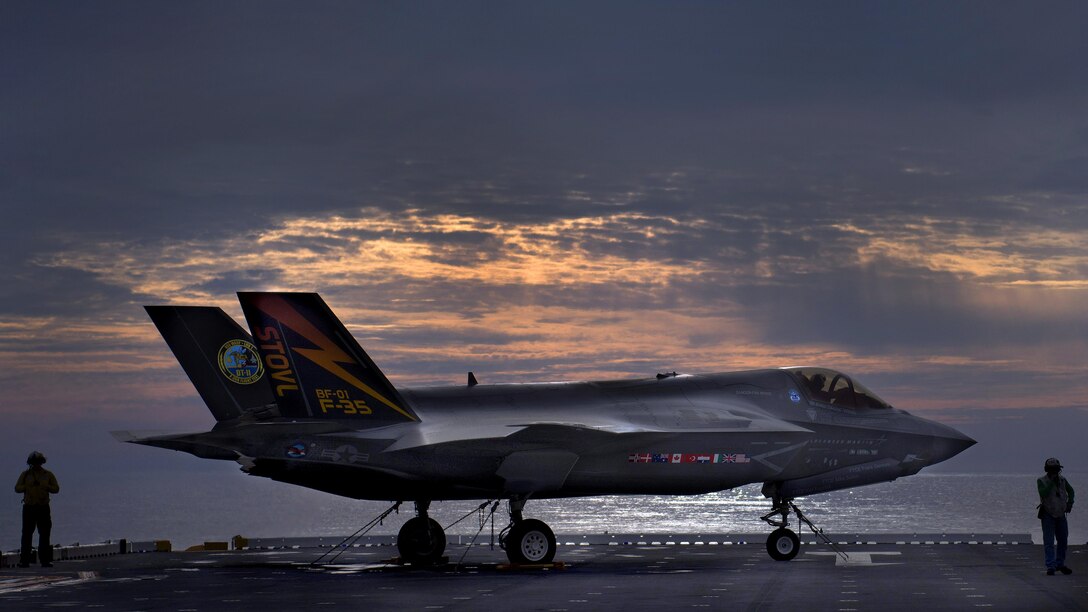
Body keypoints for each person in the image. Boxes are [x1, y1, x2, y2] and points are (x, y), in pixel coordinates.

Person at [15, 451, 60, 568]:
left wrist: (46, 487)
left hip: (43, 507)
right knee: (26, 534)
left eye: (38, 462)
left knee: (44, 534)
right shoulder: (25, 475)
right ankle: (24, 561)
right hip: (29, 507)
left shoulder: (48, 474)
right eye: (34, 463)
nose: (36, 465)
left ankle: (45, 560)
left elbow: (56, 489)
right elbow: (17, 488)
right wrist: (27, 487)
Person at [1037, 457, 1074, 576]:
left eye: (1056, 469)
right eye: (1052, 469)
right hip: (1048, 513)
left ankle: (1060, 563)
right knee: (1049, 541)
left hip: (1061, 513)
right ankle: (1050, 566)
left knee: (1063, 540)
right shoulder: (1041, 480)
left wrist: (1070, 503)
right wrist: (1052, 482)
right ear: (1047, 470)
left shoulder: (1063, 480)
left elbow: (1071, 491)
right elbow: (1043, 493)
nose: (1054, 472)